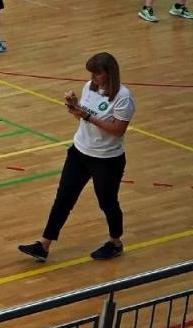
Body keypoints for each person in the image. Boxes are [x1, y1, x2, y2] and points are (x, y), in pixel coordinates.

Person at [18, 52, 134, 264]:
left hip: (106, 160)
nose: (93, 77)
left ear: (109, 73)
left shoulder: (123, 97)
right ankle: (43, 245)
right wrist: (74, 107)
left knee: (107, 202)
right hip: (80, 152)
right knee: (63, 198)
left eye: (97, 73)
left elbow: (118, 130)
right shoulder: (90, 86)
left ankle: (115, 243)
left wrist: (88, 116)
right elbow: (82, 117)